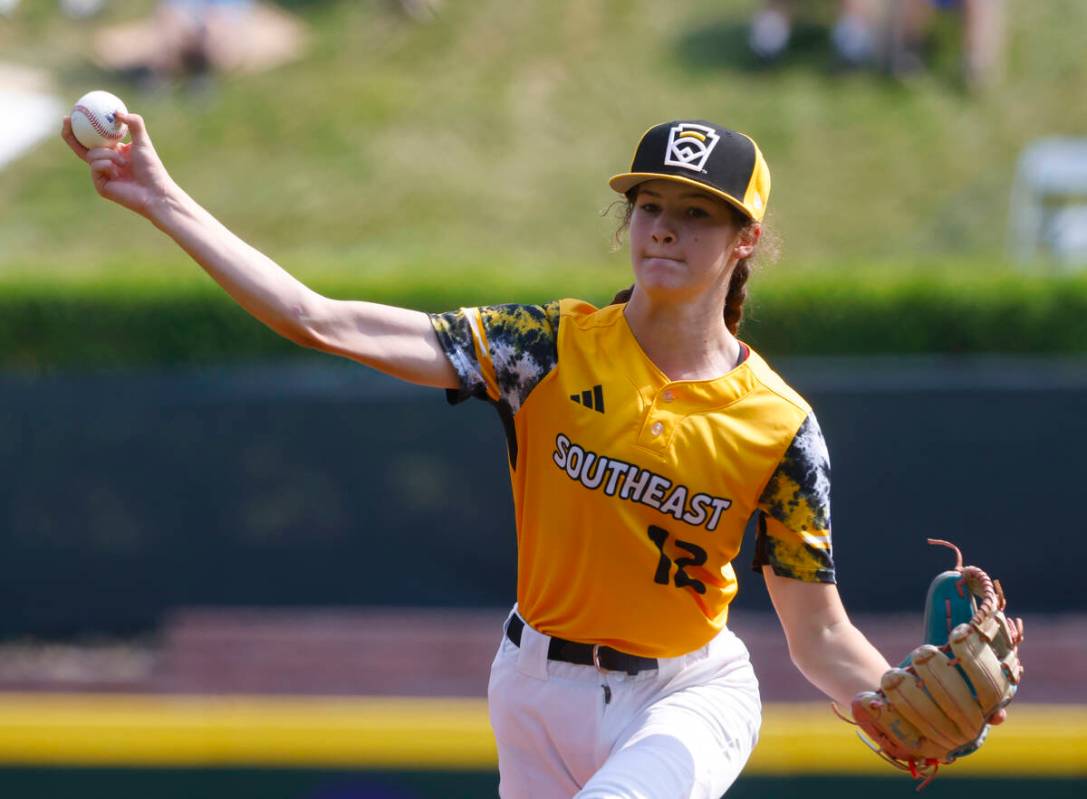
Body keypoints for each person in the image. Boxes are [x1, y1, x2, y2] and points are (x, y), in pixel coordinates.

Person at [61, 114, 1002, 797]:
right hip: (531, 689)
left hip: (685, 691)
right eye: (649, 204)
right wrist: (160, 198)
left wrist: (886, 696)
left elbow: (816, 631)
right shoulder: (545, 347)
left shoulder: (779, 424)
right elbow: (321, 319)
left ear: (745, 240)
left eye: (698, 213)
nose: (665, 226)